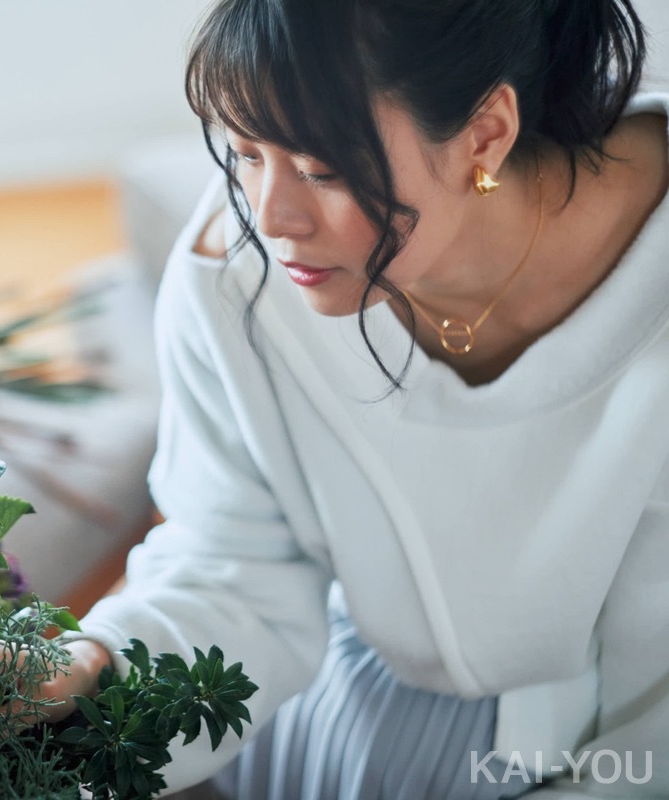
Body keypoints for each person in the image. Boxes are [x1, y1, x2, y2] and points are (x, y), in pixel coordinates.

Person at [44, 0, 669, 797]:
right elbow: (233, 567)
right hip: (329, 686)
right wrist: (92, 662)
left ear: (485, 134)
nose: (271, 217)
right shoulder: (235, 279)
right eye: (244, 153)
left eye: (321, 170)